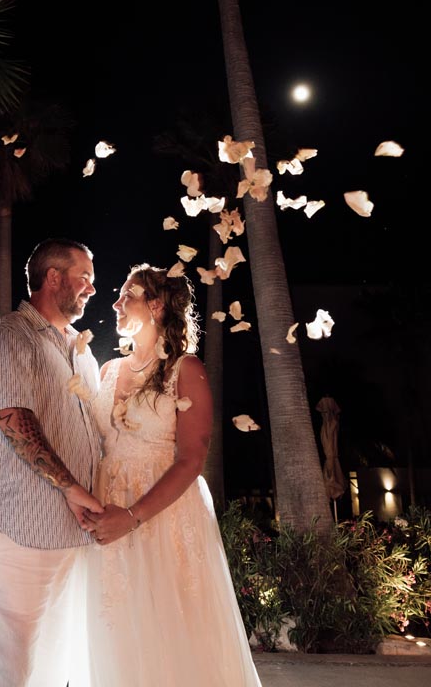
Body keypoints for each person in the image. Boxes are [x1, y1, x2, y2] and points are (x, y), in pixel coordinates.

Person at [83, 263, 262, 686]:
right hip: (109, 516)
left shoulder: (187, 370)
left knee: (170, 632)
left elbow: (191, 459)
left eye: (128, 295)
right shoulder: (108, 372)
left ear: (157, 306)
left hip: (162, 519)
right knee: (119, 633)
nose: (117, 302)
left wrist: (132, 517)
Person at [0, 238, 105, 687]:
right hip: (19, 532)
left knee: (59, 672)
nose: (91, 288)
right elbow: (13, 418)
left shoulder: (82, 353)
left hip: (75, 536)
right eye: (84, 277)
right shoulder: (7, 335)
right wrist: (71, 487)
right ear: (53, 278)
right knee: (15, 673)